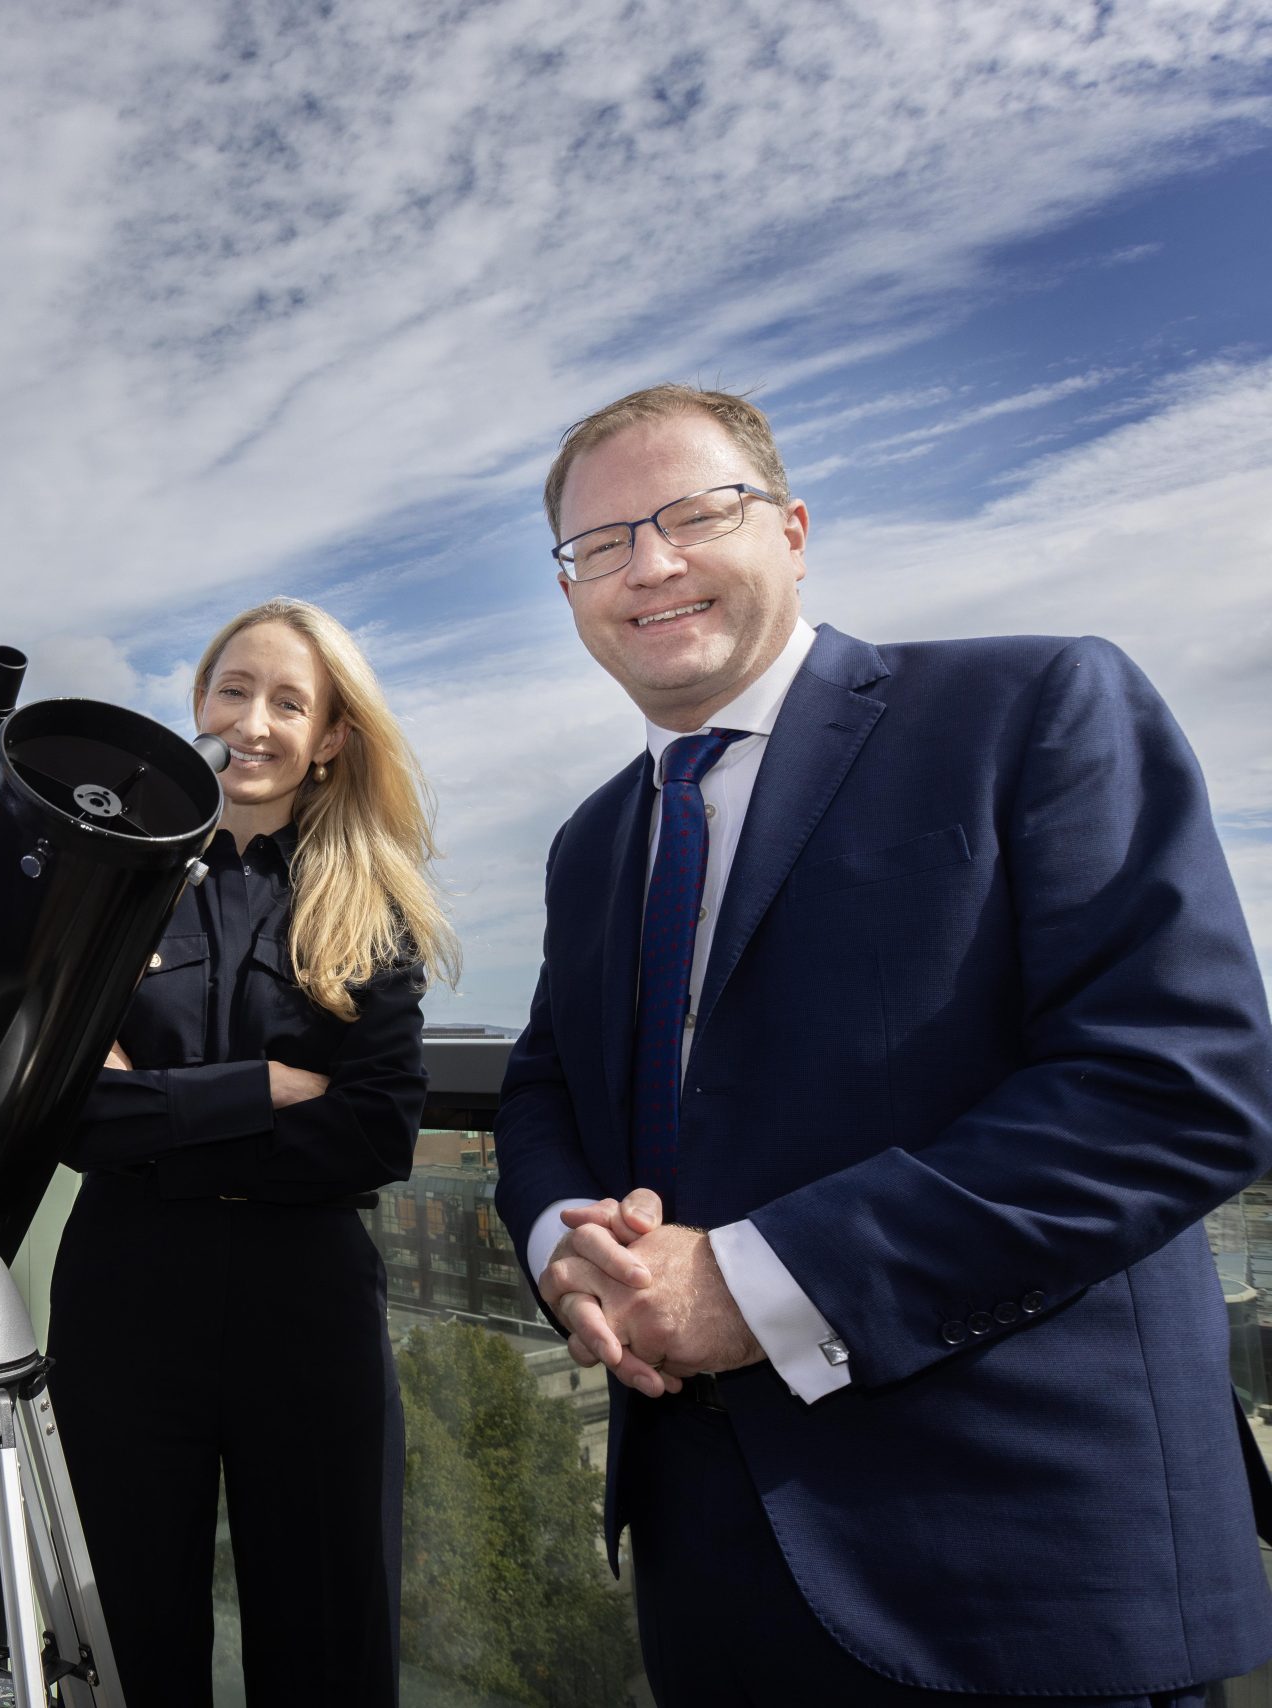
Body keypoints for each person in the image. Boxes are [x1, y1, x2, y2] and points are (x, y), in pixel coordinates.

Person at [494, 383, 1272, 1704]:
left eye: (697, 513)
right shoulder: (592, 841)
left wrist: (754, 1284)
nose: (653, 563)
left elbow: (1174, 1085)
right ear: (571, 592)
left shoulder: (1032, 706)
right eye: (602, 543)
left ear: (792, 530)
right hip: (713, 1570)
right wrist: (570, 1248)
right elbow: (548, 1083)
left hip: (1020, 1582)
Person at [47, 597, 457, 1707]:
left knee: (327, 1638)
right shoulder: (106, 888)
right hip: (125, 1301)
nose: (257, 721)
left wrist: (161, 1116)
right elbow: (68, 1114)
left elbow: (375, 1129)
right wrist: (263, 1092)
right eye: (234, 691)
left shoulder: (370, 903)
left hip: (306, 1312)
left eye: (291, 701)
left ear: (330, 736)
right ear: (197, 707)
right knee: (127, 1635)